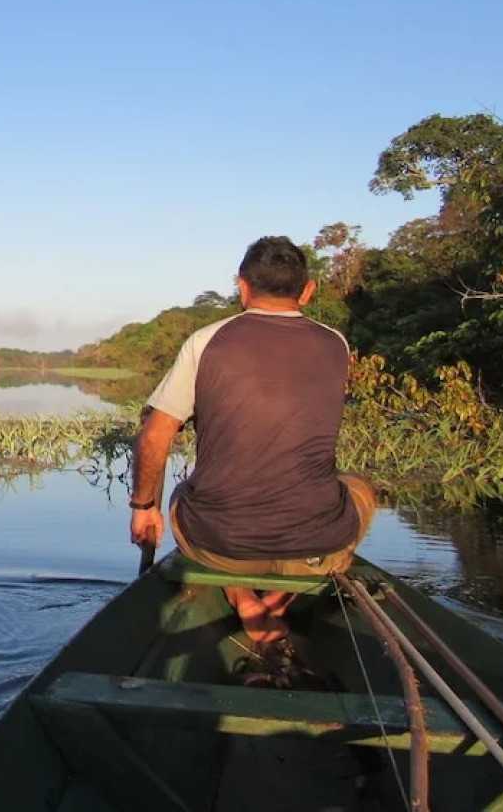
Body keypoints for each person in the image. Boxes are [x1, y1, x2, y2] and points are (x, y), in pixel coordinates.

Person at [127, 236, 376, 644]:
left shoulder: (206, 342)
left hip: (218, 545)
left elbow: (154, 437)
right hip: (315, 549)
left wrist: (143, 508)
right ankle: (277, 603)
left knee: (179, 496)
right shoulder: (337, 344)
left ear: (242, 286)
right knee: (361, 488)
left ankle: (244, 600)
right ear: (308, 291)